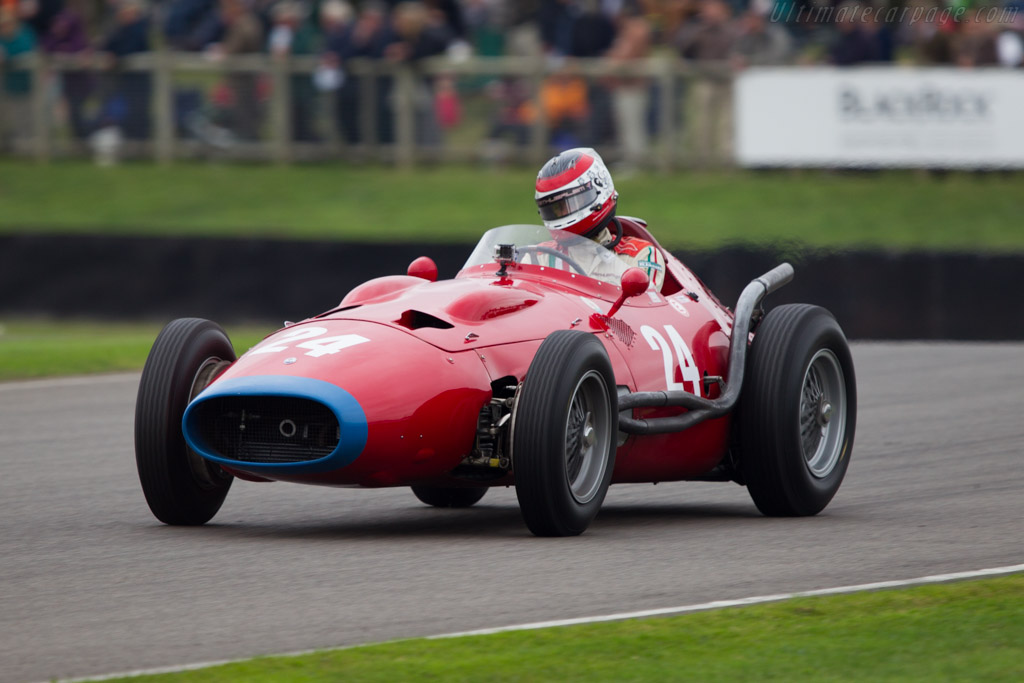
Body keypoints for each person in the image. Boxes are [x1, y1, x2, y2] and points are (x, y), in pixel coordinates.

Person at [532, 147, 665, 293]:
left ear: (600, 187)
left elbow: (640, 310)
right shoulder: (539, 257)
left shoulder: (640, 255)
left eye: (572, 202)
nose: (564, 213)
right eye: (556, 209)